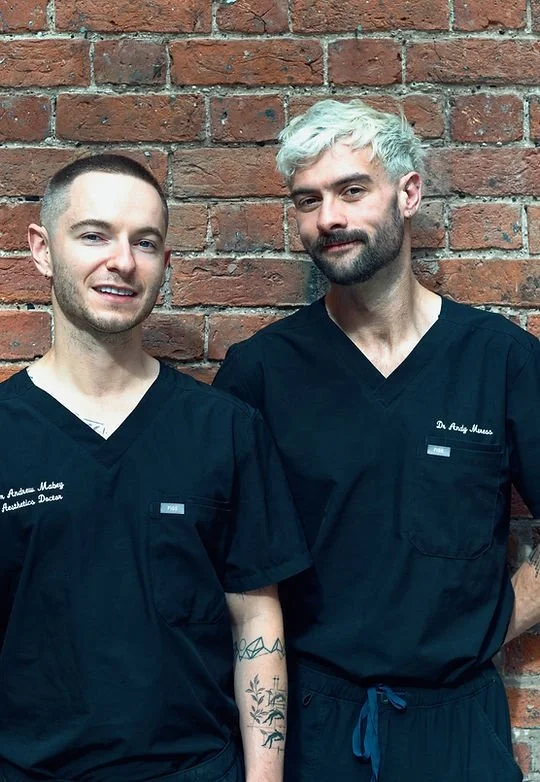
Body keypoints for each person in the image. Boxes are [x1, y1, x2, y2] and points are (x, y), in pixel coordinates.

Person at [213, 100, 540, 781]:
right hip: (315, 727)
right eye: (308, 200)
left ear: (408, 194)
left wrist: (494, 622)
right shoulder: (260, 373)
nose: (328, 217)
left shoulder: (500, 359)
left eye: (352, 190)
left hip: (459, 724)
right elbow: (228, 571)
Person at [0, 154, 311, 782]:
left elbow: (256, 621)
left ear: (165, 263)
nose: (122, 261)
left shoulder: (225, 429)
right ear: (42, 249)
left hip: (197, 769)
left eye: (145, 242)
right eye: (94, 235)